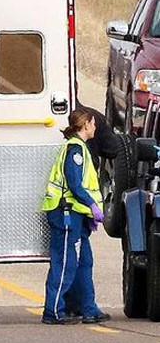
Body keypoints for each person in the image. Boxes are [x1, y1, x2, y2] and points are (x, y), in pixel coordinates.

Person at [41, 108, 111, 325]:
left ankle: (88, 308)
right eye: (93, 123)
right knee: (65, 263)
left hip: (77, 215)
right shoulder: (75, 150)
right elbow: (74, 183)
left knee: (84, 262)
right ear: (86, 124)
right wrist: (91, 204)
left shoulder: (81, 147)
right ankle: (53, 311)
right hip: (66, 214)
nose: (96, 127)